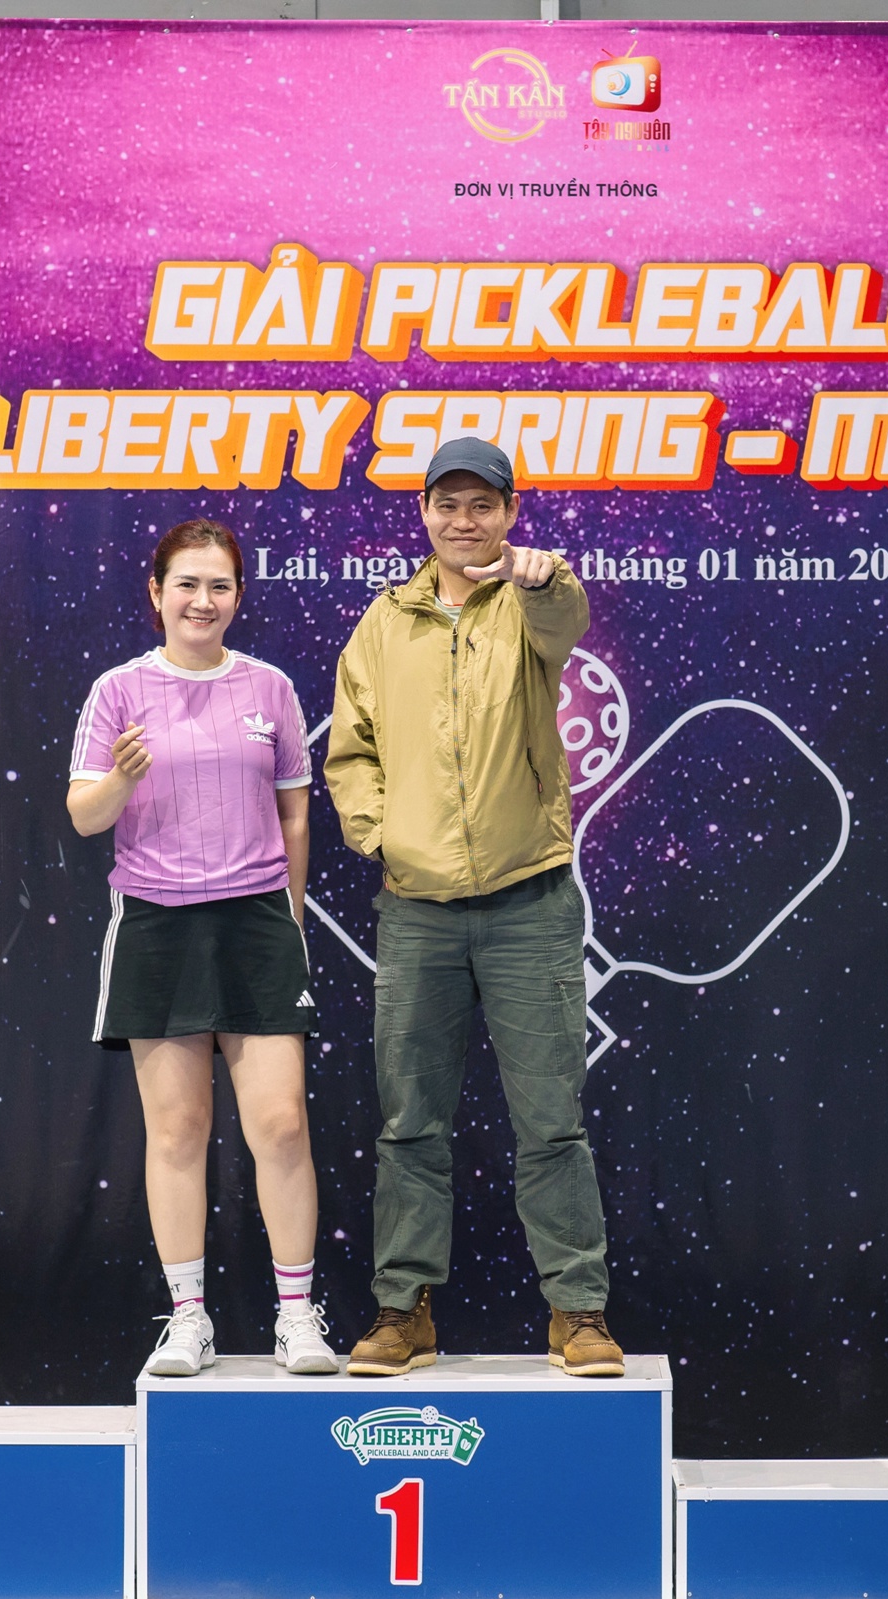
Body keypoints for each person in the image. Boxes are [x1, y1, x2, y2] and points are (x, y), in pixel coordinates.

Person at [325, 436, 623, 1379]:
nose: (465, 520)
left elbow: (566, 616)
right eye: (448, 504)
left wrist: (543, 579)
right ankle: (402, 1311)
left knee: (551, 1122)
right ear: (423, 512)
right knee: (410, 1124)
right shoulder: (384, 623)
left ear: (510, 512)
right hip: (418, 911)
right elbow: (351, 749)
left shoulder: (532, 600)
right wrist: (381, 834)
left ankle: (578, 1311)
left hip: (531, 902)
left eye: (483, 504)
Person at [67, 518, 337, 1377]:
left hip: (257, 922)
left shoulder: (271, 689)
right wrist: (121, 777)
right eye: (186, 583)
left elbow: (296, 813)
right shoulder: (117, 691)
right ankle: (188, 1318)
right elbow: (85, 816)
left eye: (219, 585)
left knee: (281, 1123)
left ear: (238, 595)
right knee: (179, 1129)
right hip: (157, 923)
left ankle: (296, 1315)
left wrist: (290, 920)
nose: (202, 599)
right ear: (157, 593)